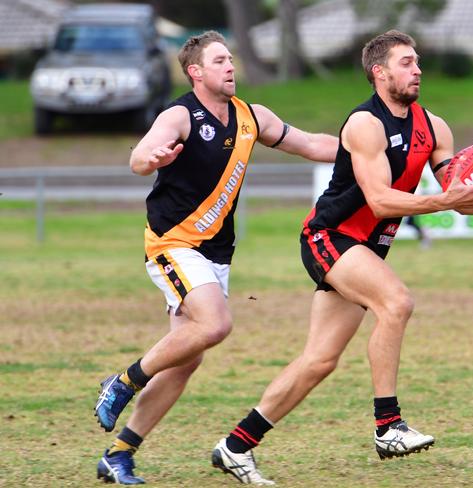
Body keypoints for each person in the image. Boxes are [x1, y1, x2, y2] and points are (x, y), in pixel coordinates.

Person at [210, 30, 473, 486]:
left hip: (366, 248)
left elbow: (452, 192)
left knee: (319, 360)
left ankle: (236, 445)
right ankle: (388, 426)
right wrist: (447, 202)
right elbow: (380, 200)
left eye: (417, 61)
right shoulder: (365, 124)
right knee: (396, 302)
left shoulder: (434, 127)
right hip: (330, 237)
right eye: (405, 62)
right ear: (380, 73)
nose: (417, 69)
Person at [93, 30, 338, 485]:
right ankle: (123, 381)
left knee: (185, 359)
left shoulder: (251, 116)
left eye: (232, 59)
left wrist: (367, 147)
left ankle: (119, 454)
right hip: (172, 242)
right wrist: (152, 157)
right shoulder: (179, 115)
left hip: (215, 252)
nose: (231, 67)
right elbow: (141, 158)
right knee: (217, 324)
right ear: (196, 71)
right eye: (221, 60)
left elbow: (311, 145)